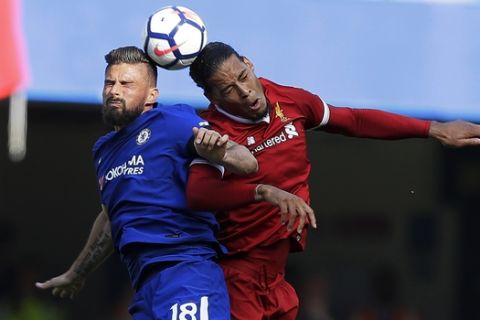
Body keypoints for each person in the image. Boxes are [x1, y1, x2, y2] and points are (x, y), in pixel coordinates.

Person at [186, 41, 480, 320]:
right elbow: (198, 193)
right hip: (237, 272)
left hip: (275, 275)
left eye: (243, 76)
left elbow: (354, 120)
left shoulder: (290, 100)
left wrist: (433, 128)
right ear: (213, 98)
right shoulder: (213, 132)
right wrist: (263, 192)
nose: (246, 92)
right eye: (229, 89)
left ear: (249, 63)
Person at [35, 46, 260, 320]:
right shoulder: (103, 150)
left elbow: (247, 162)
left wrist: (220, 153)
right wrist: (76, 273)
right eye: (110, 82)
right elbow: (110, 218)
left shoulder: (172, 120)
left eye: (127, 84)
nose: (114, 91)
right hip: (143, 285)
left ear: (152, 95)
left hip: (186, 272)